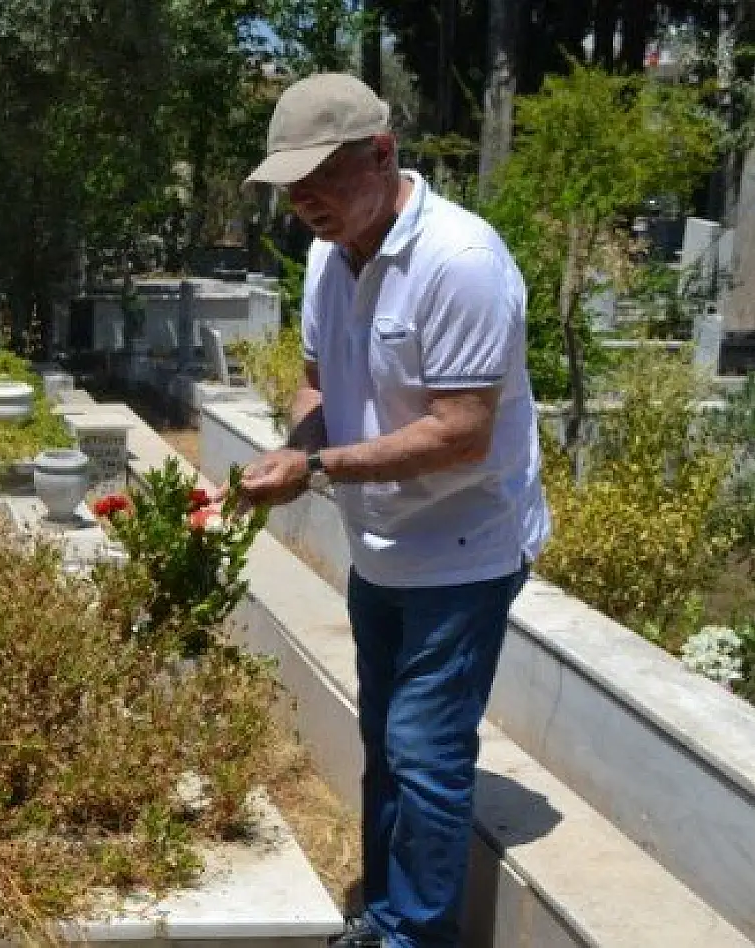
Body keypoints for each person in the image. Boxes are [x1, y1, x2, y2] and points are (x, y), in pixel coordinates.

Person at [236, 73, 551, 948]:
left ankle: (415, 935)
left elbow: (461, 435)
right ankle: (386, 917)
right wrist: (297, 445)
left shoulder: (461, 262)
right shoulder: (325, 256)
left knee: (424, 749)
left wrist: (318, 465)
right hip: (379, 546)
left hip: (463, 546)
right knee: (386, 737)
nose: (303, 201)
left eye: (321, 179)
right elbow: (316, 382)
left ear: (381, 154)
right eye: (290, 185)